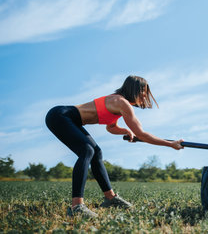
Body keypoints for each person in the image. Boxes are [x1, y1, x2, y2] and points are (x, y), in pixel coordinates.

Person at [45, 75, 184, 218]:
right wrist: (170, 144)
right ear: (136, 89)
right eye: (144, 92)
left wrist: (125, 131)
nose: (144, 97)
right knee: (87, 150)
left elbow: (110, 127)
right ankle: (77, 207)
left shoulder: (118, 102)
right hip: (60, 116)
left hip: (68, 119)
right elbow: (141, 134)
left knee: (96, 153)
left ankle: (110, 198)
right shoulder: (121, 102)